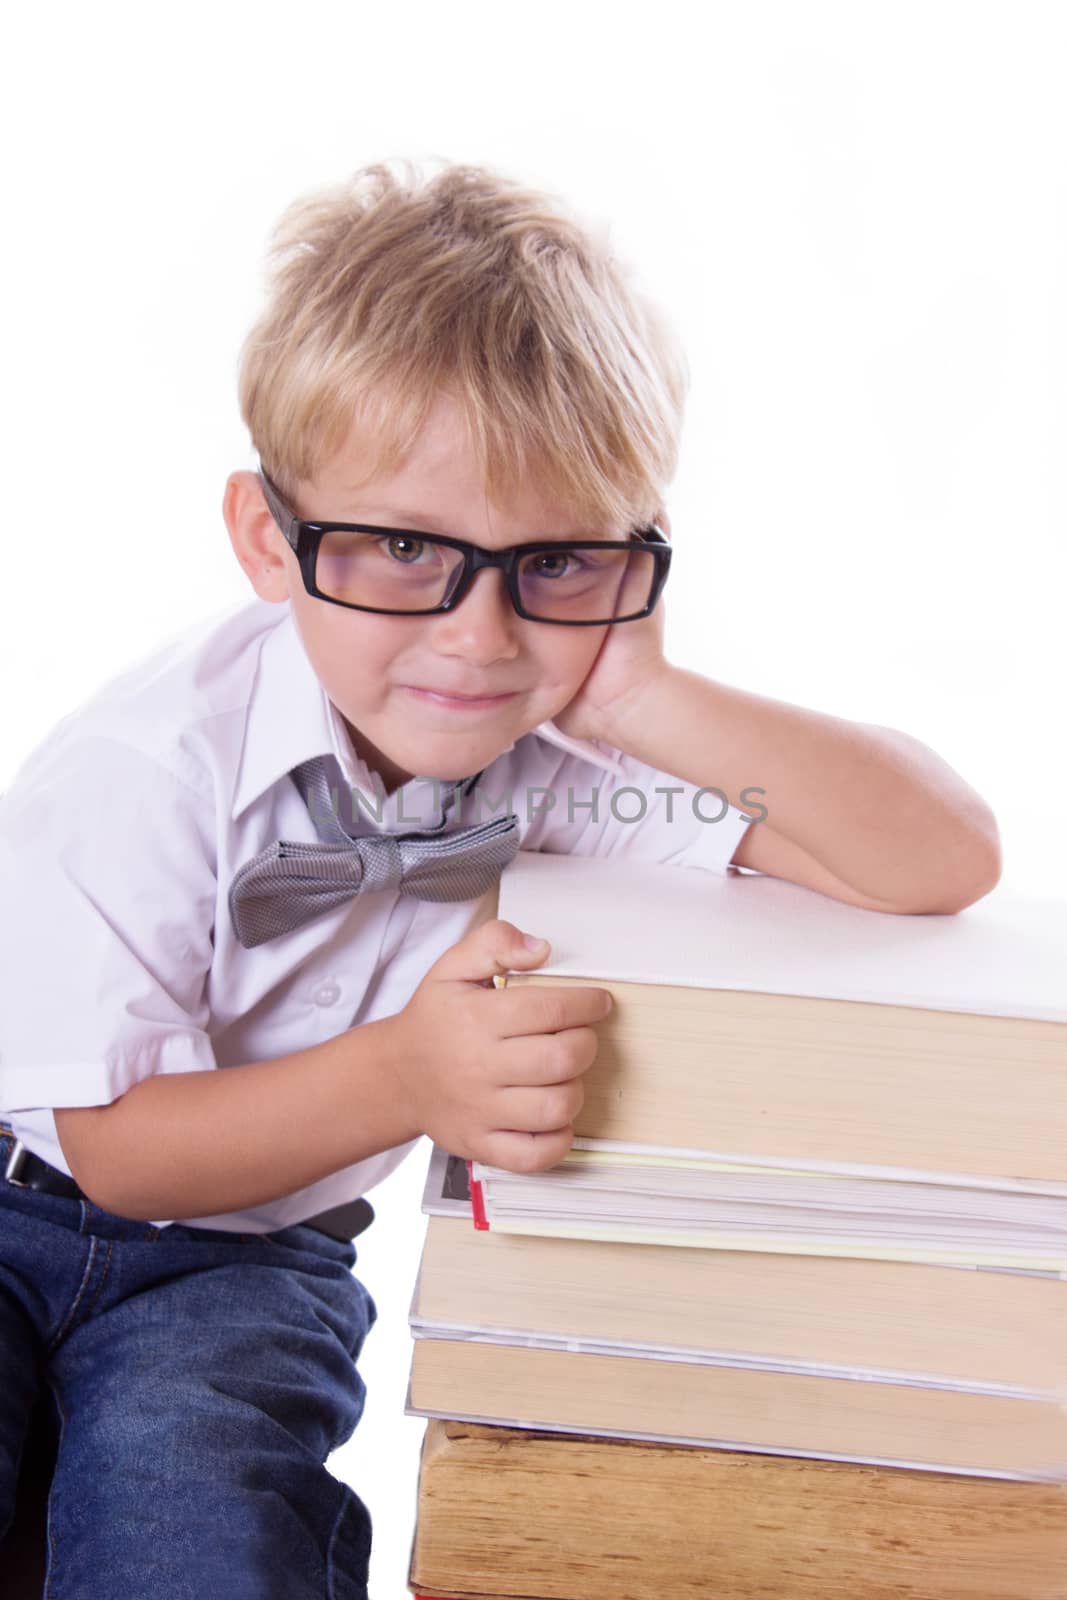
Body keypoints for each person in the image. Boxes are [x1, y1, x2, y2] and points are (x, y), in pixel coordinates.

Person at [0, 161, 1001, 1599]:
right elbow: (122, 1150)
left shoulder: (554, 756)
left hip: (246, 1271)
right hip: (20, 1195)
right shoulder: (147, 764)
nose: (476, 639)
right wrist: (406, 1078)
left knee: (204, 1533)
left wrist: (644, 699)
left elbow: (936, 859)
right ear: (266, 538)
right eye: (405, 549)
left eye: (553, 562)